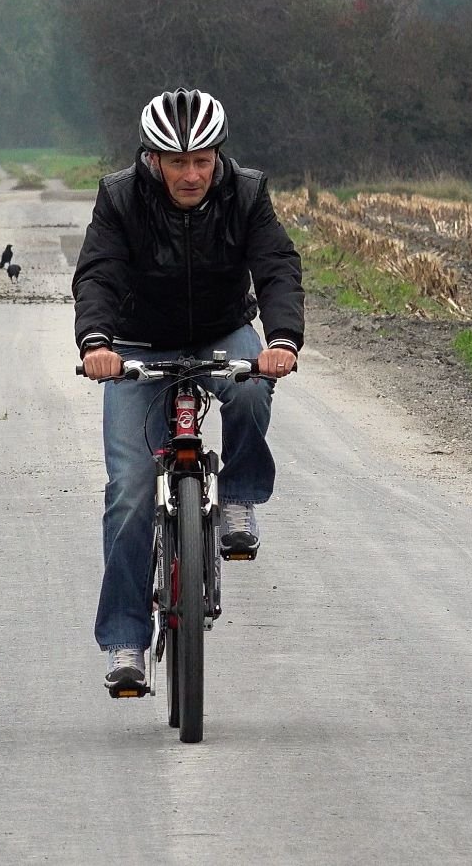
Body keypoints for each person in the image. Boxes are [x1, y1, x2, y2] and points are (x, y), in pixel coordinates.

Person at [72, 88, 304, 696]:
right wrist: (97, 342)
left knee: (254, 388)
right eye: (177, 162)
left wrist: (282, 338)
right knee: (128, 493)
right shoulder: (120, 197)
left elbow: (276, 264)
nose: (192, 174)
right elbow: (98, 271)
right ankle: (126, 642)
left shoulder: (246, 193)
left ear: (217, 157)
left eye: (202, 160)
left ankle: (239, 498)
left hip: (222, 333)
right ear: (152, 159)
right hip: (138, 346)